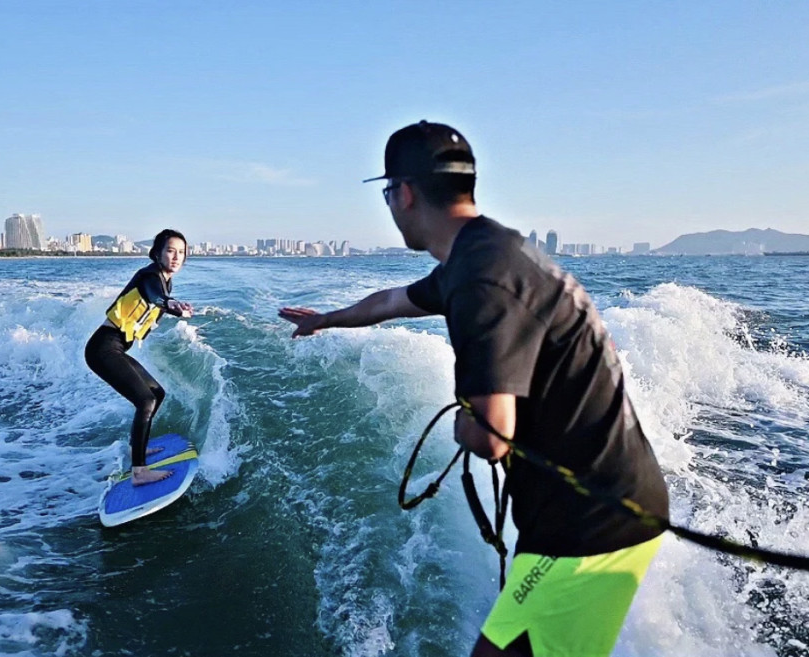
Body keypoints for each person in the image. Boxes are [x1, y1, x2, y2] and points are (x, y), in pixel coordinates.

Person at [279, 121, 669, 657]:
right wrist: (326, 319)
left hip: (592, 522)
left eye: (388, 193)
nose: (391, 205)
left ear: (405, 193)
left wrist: (464, 416)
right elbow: (392, 301)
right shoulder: (486, 252)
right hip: (600, 505)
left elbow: (491, 437)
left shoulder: (483, 278)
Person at [85, 229, 194, 486]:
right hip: (103, 348)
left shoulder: (167, 282)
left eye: (181, 252)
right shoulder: (149, 276)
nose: (176, 257)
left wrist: (173, 306)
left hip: (116, 349)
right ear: (157, 253)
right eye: (170, 250)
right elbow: (153, 294)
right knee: (144, 400)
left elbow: (161, 298)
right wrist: (169, 304)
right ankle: (139, 472)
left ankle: (138, 449)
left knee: (156, 394)